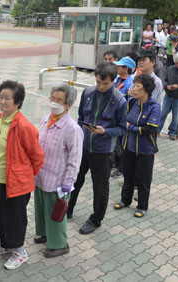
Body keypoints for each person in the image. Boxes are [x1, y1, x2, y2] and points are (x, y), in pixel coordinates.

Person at [0, 80, 44, 270]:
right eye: (1, 97)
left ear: (18, 102)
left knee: (15, 218)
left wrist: (24, 176)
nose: (3, 101)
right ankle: (6, 244)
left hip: (16, 182)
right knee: (0, 213)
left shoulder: (24, 126)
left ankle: (19, 252)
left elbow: (37, 156)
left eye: (7, 98)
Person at [67, 63, 127, 234]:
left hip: (103, 150)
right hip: (83, 146)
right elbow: (80, 118)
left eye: (105, 83)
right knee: (74, 180)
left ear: (113, 81)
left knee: (100, 187)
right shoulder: (87, 93)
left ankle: (96, 219)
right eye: (99, 82)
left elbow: (122, 128)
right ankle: (68, 209)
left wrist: (105, 131)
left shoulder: (120, 100)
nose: (101, 86)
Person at [34, 84, 83, 258]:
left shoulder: (72, 129)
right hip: (41, 176)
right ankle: (45, 234)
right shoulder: (46, 118)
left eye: (59, 100)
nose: (54, 103)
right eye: (52, 98)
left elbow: (75, 159)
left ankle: (59, 244)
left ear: (68, 105)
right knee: (41, 208)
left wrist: (68, 182)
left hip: (57, 180)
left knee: (55, 213)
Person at [114, 75, 161, 218]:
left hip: (145, 149)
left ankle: (142, 206)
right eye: (133, 86)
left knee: (143, 178)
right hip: (129, 146)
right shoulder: (131, 102)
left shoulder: (154, 107)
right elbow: (123, 120)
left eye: (137, 86)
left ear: (146, 90)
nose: (134, 89)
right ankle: (125, 200)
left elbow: (149, 129)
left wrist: (130, 127)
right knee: (128, 174)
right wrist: (128, 127)